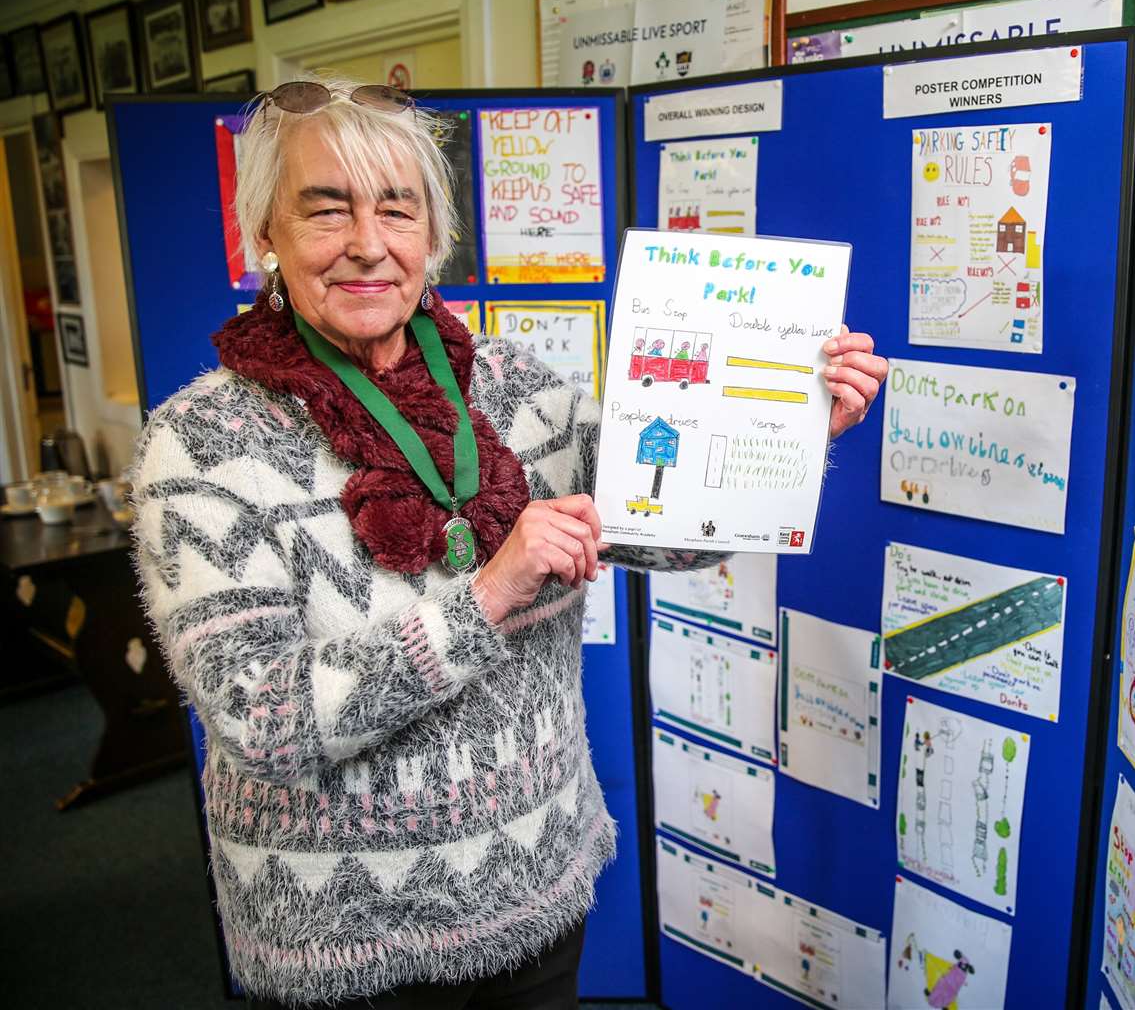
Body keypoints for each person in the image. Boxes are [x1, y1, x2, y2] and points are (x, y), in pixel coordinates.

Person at [128, 75, 889, 1009]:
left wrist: (795, 426)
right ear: (266, 237)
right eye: (326, 212)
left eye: (397, 209)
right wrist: (488, 593)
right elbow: (262, 720)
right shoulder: (202, 442)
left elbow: (665, 530)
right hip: (344, 941)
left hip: (534, 887)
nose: (368, 243)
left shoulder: (515, 385)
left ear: (433, 236)